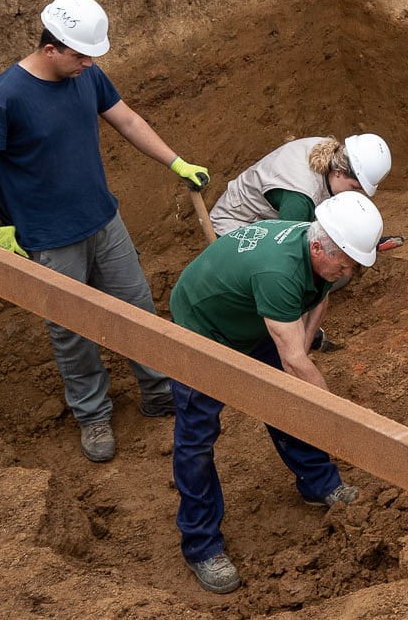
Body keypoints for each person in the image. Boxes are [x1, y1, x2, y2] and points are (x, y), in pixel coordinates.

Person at [0, 0, 209, 463]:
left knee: (137, 307)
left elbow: (125, 119)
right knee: (72, 331)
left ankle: (157, 391)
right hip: (46, 239)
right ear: (51, 49)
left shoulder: (86, 75)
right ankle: (93, 417)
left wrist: (176, 162)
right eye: (81, 55)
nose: (89, 63)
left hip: (103, 220)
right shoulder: (1, 99)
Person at [167, 194, 384, 594]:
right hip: (202, 325)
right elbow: (295, 362)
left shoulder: (319, 250)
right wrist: (337, 417)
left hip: (252, 316)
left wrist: (301, 345)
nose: (349, 271)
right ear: (319, 247)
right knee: (197, 437)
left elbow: (318, 300)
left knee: (288, 402)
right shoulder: (279, 273)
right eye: (346, 263)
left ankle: (319, 483)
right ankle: (201, 545)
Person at [207, 133, 392, 235]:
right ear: (339, 172)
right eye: (354, 188)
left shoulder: (328, 150)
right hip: (232, 225)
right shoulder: (301, 199)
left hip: (263, 213)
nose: (352, 194)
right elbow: (285, 248)